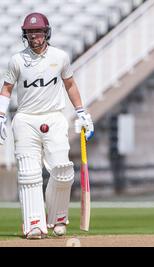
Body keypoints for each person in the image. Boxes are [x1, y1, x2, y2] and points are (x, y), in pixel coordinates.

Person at [0, 12, 94, 239]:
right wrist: (1, 115)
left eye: (38, 31)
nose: (35, 36)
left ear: (46, 32)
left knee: (62, 170)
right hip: (25, 119)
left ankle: (59, 218)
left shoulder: (60, 57)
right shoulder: (17, 60)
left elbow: (70, 85)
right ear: (25, 34)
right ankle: (34, 224)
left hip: (54, 117)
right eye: (31, 32)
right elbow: (7, 90)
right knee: (29, 174)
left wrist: (81, 112)